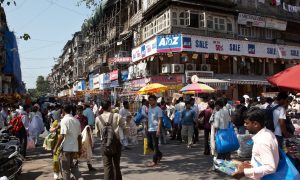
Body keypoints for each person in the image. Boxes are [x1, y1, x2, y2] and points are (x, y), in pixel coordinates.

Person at [233, 107, 279, 179]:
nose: (245, 125)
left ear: (255, 124)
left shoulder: (262, 141)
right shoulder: (268, 133)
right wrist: (251, 163)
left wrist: (244, 172)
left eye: (247, 123)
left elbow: (270, 167)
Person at [95, 100, 124, 180]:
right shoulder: (117, 116)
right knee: (116, 165)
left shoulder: (98, 118)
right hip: (116, 143)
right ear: (109, 106)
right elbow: (123, 127)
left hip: (104, 144)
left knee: (107, 166)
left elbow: (97, 134)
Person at [54, 104, 82, 180]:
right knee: (72, 166)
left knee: (65, 169)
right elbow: (79, 136)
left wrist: (56, 147)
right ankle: (80, 178)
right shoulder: (76, 120)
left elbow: (62, 135)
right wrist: (80, 148)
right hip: (74, 148)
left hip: (66, 148)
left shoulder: (64, 120)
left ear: (63, 110)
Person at [146, 95, 163, 167]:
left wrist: (158, 129)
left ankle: (154, 161)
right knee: (149, 145)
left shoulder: (158, 109)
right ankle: (159, 154)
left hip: (155, 129)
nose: (151, 101)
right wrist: (146, 127)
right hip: (149, 129)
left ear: (155, 101)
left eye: (152, 100)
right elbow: (149, 119)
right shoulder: (149, 108)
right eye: (150, 100)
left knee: (155, 146)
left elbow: (160, 120)